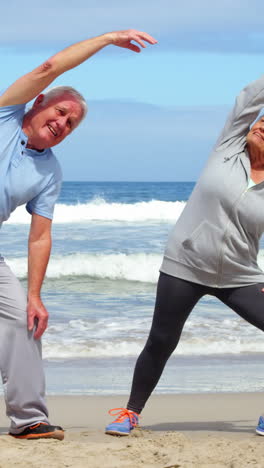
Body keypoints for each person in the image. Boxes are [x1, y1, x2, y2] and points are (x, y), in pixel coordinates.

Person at [0, 29, 157, 440]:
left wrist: (35, 295)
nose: (62, 123)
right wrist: (107, 39)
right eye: (60, 112)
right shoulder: (4, 115)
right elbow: (50, 67)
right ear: (38, 102)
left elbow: (39, 236)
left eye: (71, 123)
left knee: (23, 320)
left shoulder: (49, 171)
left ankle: (28, 419)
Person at [106, 73, 264, 437]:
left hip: (239, 274)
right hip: (186, 265)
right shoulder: (227, 148)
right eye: (262, 121)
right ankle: (130, 413)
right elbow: (247, 101)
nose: (262, 128)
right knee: (161, 339)